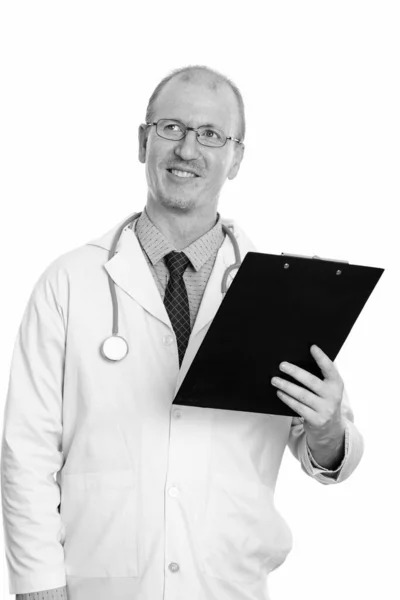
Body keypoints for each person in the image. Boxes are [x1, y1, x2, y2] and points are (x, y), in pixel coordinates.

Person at [1, 65, 364, 600]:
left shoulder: (283, 292)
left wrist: (329, 427)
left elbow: (333, 455)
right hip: (95, 586)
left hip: (226, 585)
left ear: (236, 157)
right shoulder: (70, 281)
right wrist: (38, 586)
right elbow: (26, 451)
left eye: (211, 135)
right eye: (171, 128)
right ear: (143, 141)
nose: (188, 150)